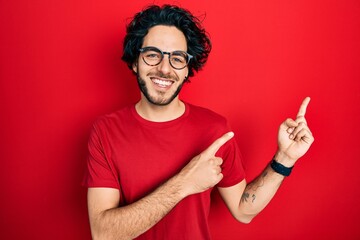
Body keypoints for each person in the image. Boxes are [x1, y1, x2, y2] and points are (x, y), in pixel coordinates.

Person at [82, 4, 314, 240]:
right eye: (152, 55)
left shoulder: (215, 129)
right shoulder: (106, 131)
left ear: (186, 70)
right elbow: (103, 235)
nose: (164, 69)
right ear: (135, 62)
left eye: (177, 58)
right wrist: (186, 182)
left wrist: (284, 159)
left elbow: (243, 211)